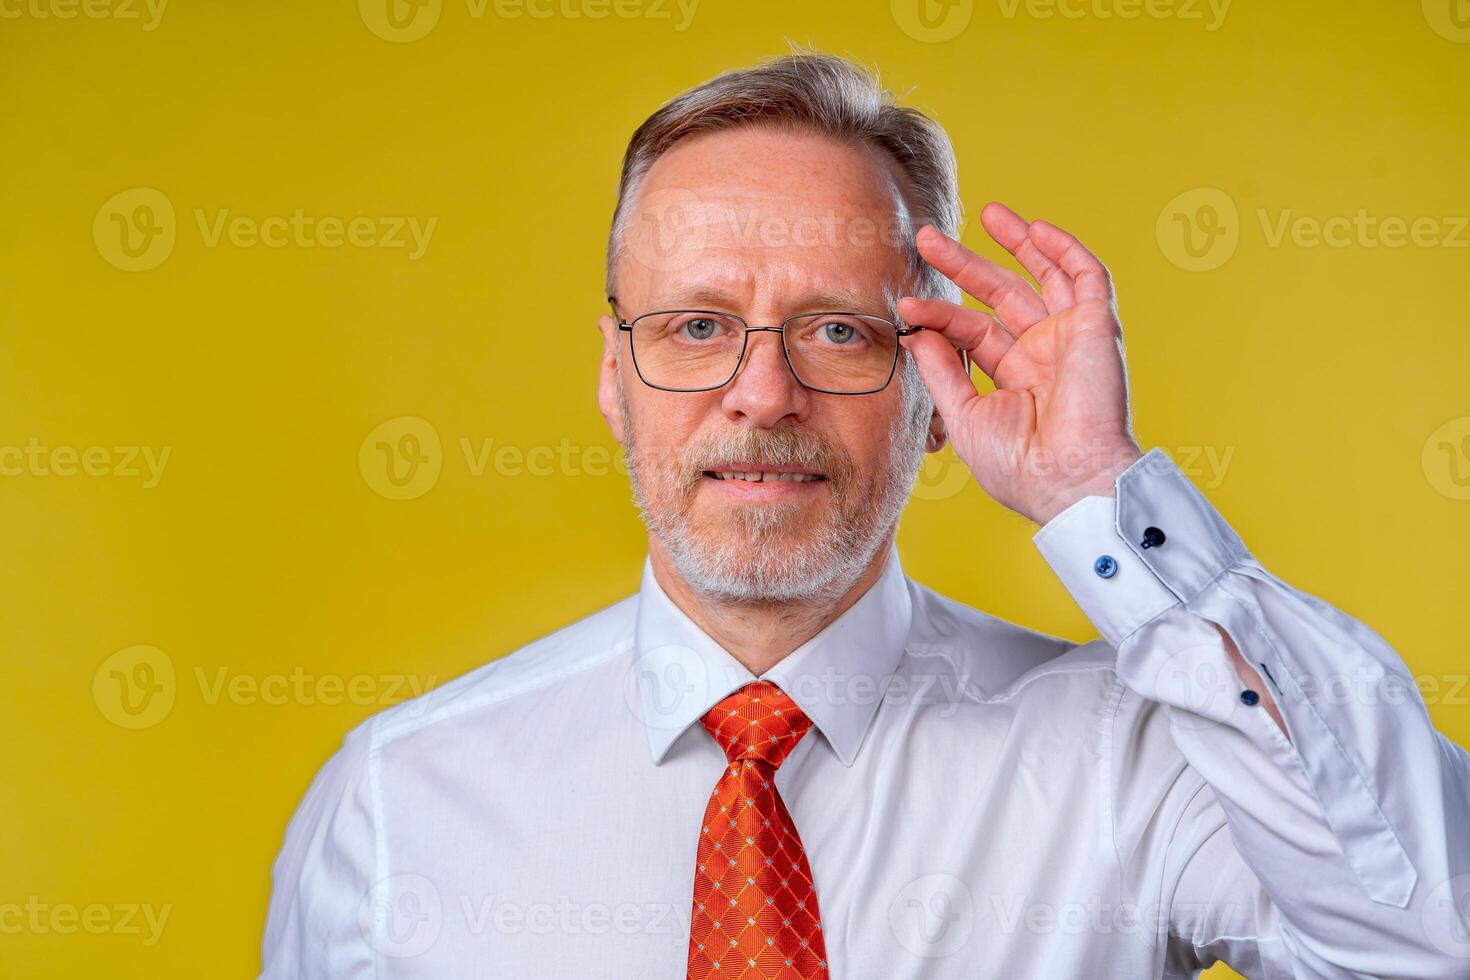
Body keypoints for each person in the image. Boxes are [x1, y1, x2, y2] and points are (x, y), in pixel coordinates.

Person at [261, 53, 1470, 978]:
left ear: (939, 392)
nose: (763, 393)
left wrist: (1099, 491)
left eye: (840, 330)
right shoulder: (399, 799)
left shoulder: (1135, 759)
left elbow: (1429, 936)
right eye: (695, 327)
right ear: (612, 378)